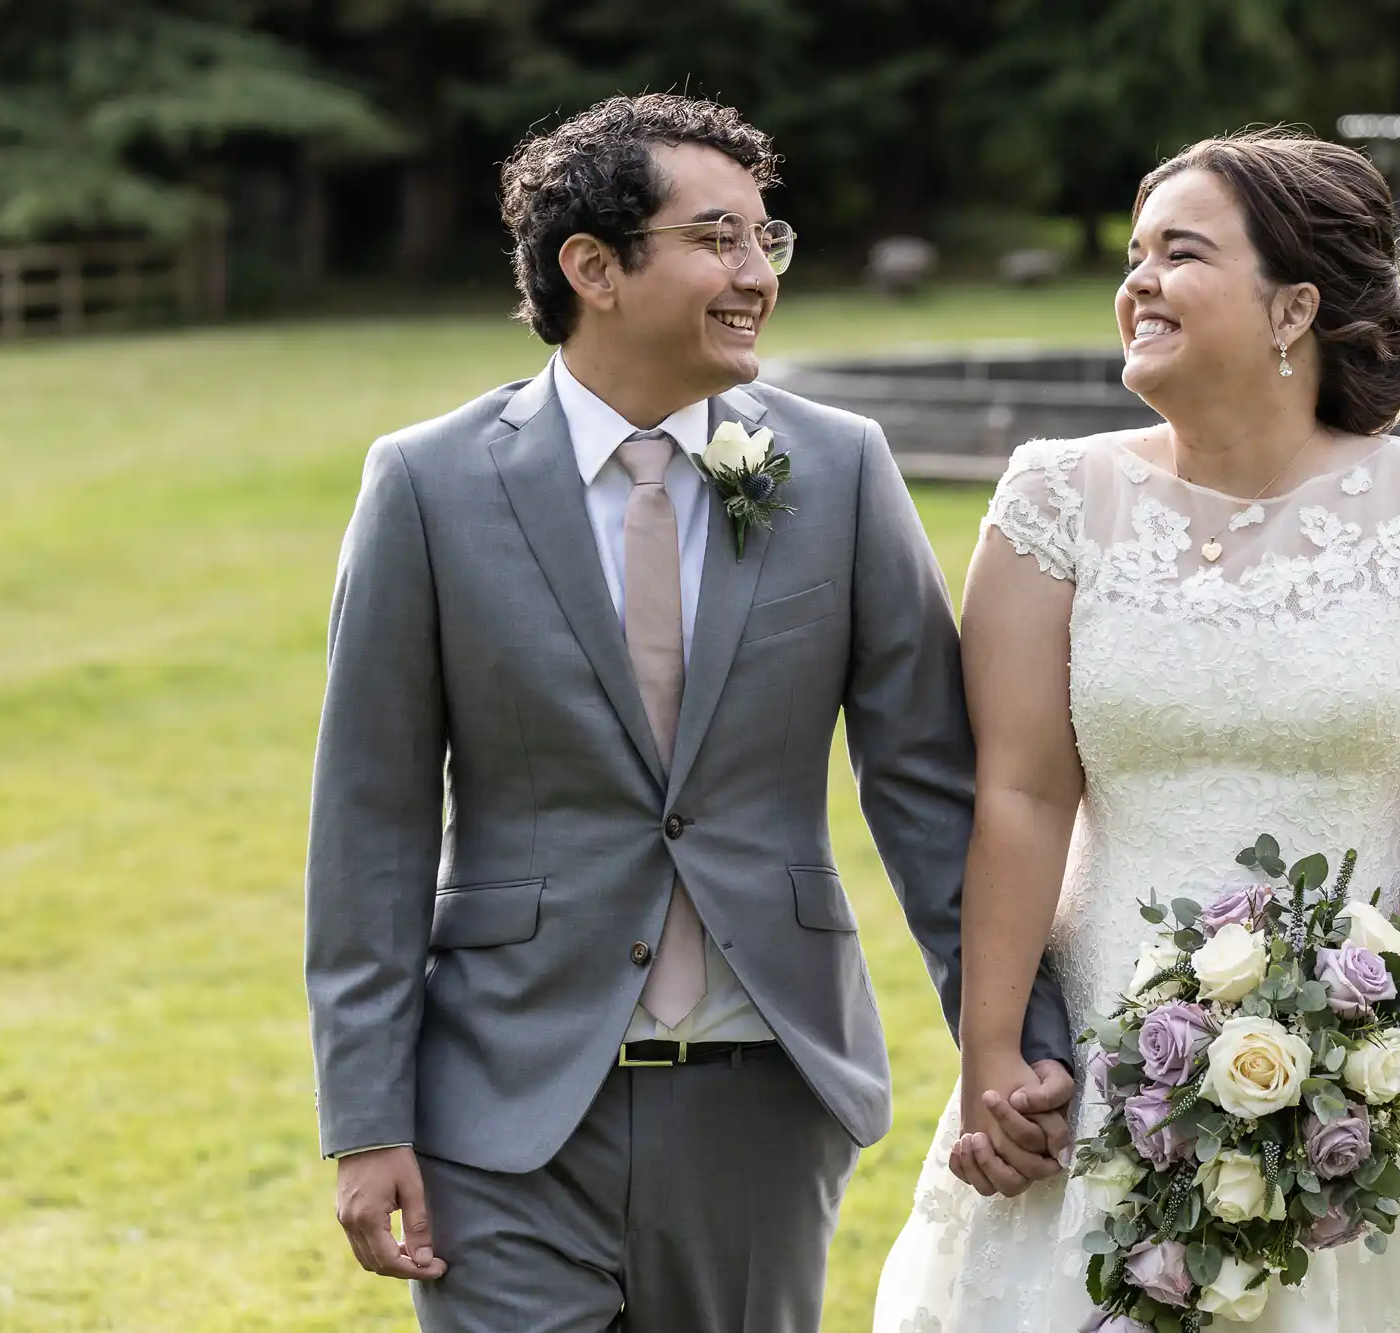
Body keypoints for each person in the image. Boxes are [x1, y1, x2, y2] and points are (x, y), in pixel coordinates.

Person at [302, 92, 1075, 1333]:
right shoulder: (428, 485)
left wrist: (1018, 1046)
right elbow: (371, 821)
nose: (754, 274)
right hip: (503, 1103)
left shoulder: (838, 468)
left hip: (761, 1095)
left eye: (766, 239)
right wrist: (367, 1118)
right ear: (592, 268)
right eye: (716, 238)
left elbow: (929, 791)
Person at [873, 128, 1400, 1331]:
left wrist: (1358, 1006)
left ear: (1290, 305)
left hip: (1377, 1039)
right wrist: (992, 1048)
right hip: (1100, 1040)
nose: (1134, 281)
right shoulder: (1053, 499)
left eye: (1178, 253)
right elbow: (1021, 797)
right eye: (1134, 253)